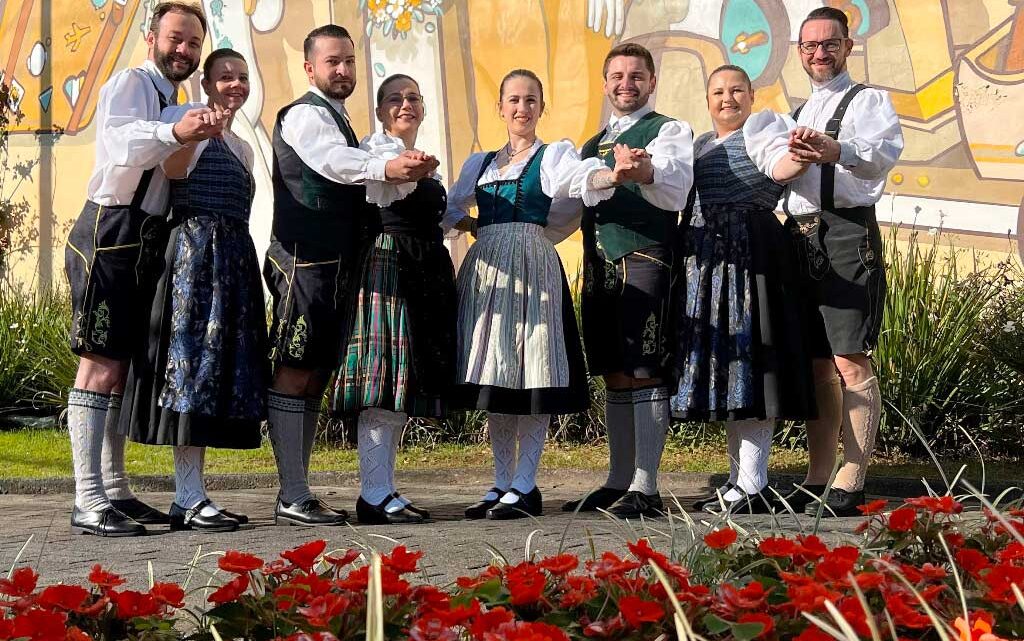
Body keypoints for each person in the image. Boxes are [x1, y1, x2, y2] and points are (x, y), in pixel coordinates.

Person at [63, 2, 226, 537]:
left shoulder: (171, 96)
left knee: (121, 369)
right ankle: (87, 499)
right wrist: (176, 131)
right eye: (176, 39)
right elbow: (119, 143)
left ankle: (113, 490)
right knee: (99, 364)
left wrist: (186, 130)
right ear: (151, 36)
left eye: (193, 44)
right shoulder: (133, 83)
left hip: (143, 235)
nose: (184, 50)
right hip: (110, 229)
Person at [264, 24, 436, 526]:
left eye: (349, 62)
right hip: (304, 259)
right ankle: (292, 493)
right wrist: (389, 168)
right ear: (310, 67)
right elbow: (335, 164)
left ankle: (299, 492)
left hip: (336, 265)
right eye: (332, 61)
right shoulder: (304, 115)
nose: (342, 71)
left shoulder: (339, 119)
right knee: (295, 370)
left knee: (314, 374)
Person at [445, 69, 634, 521]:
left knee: (532, 369)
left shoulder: (553, 156)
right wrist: (471, 226)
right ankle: (500, 482)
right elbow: (451, 207)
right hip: (489, 272)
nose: (521, 108)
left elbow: (578, 181)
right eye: (513, 100)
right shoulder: (480, 162)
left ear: (541, 107)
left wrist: (612, 174)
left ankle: (526, 485)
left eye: (530, 100)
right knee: (497, 372)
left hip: (531, 265)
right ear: (500, 107)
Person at [760, 7, 904, 517]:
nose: (819, 53)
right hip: (798, 237)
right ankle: (819, 473)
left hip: (845, 231)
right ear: (799, 51)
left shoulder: (868, 100)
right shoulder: (798, 109)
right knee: (818, 361)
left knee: (849, 357)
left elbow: (880, 154)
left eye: (829, 44)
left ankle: (853, 473)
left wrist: (833, 148)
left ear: (848, 45)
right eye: (810, 46)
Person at [120, 48, 267, 532]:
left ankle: (195, 493)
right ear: (206, 82)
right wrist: (197, 129)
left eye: (242, 78)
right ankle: (186, 496)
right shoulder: (187, 118)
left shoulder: (244, 146)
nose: (235, 85)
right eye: (225, 76)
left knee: (218, 377)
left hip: (233, 260)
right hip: (193, 258)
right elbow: (176, 171)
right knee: (193, 375)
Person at [671, 65, 818, 514]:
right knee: (729, 370)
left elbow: (782, 164)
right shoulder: (696, 145)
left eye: (737, 90)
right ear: (708, 97)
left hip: (752, 253)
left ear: (752, 95)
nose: (727, 98)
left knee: (755, 361)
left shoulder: (763, 129)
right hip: (708, 262)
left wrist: (802, 155)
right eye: (718, 91)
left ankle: (754, 483)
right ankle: (739, 480)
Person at [563, 43, 694, 519]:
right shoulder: (590, 143)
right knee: (614, 370)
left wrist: (644, 170)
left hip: (645, 257)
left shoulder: (669, 130)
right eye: (617, 75)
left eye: (636, 75)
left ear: (652, 81)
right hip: (600, 265)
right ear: (605, 83)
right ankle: (619, 478)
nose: (626, 83)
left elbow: (675, 186)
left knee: (644, 367)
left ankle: (647, 485)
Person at [329, 74, 455, 525]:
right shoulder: (374, 151)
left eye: (414, 97)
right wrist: (408, 165)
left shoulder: (430, 165)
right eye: (395, 99)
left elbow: (442, 213)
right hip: (389, 262)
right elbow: (385, 184)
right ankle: (374, 494)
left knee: (403, 382)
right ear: (381, 110)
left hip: (423, 266)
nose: (406, 105)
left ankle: (383, 489)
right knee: (383, 380)